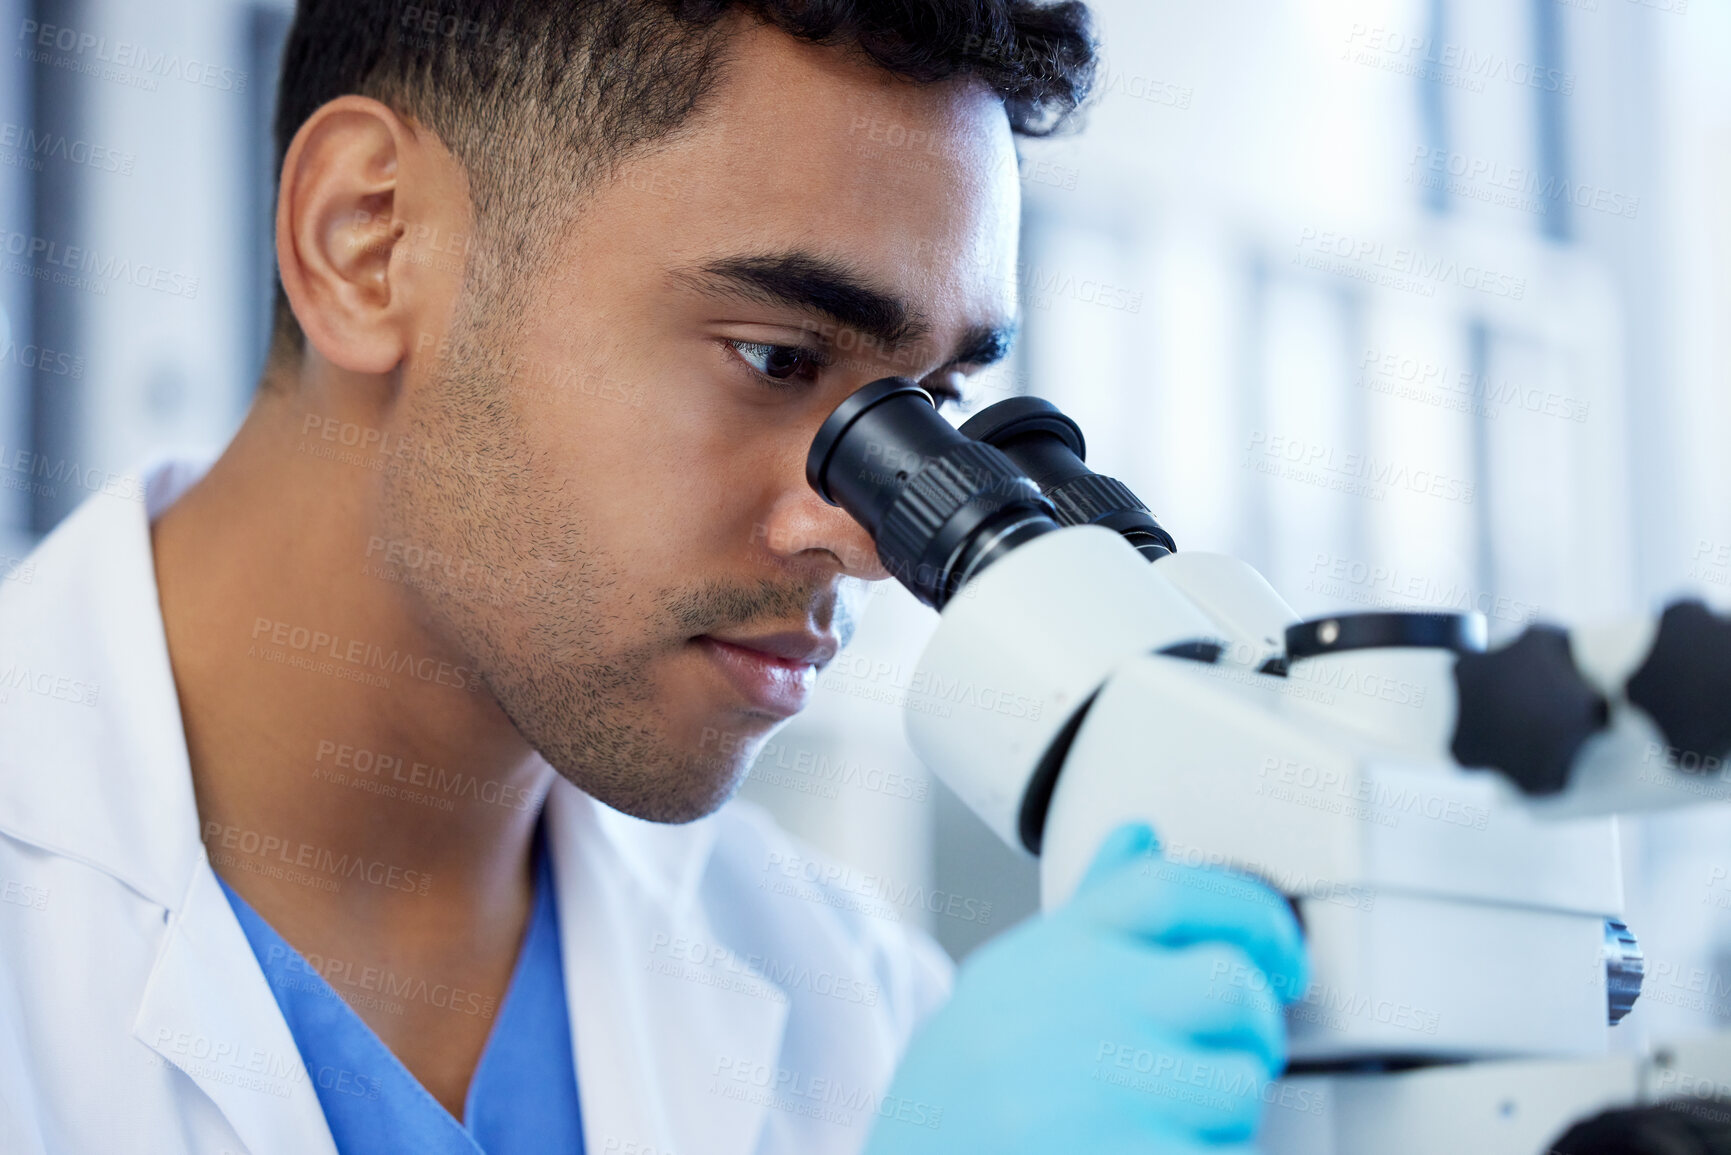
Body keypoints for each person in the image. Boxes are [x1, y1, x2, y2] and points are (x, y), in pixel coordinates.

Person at [0, 2, 1308, 1152]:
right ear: (369, 241)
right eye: (777, 357)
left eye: (935, 404)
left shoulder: (851, 1006)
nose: (863, 535)